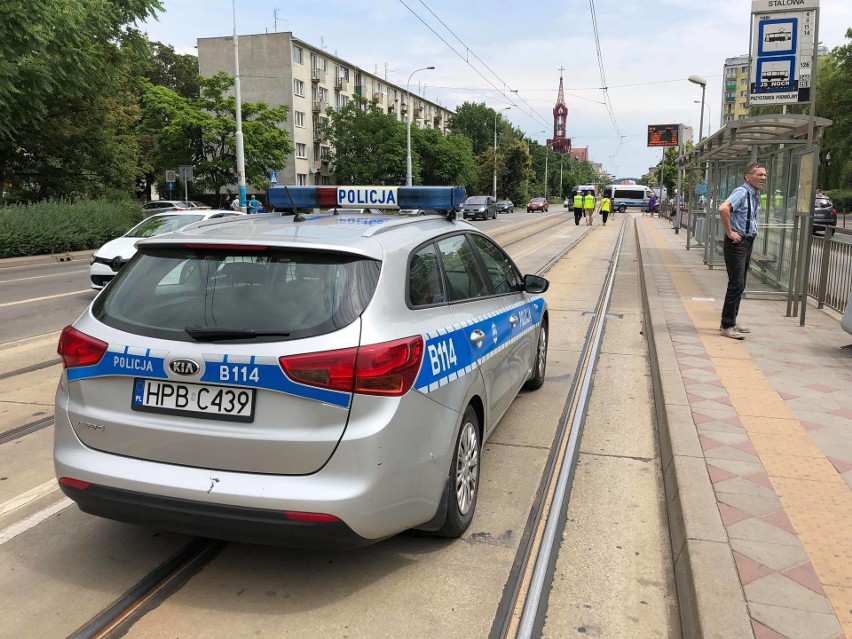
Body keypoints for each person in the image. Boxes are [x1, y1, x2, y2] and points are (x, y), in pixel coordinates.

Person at [718, 162, 767, 340]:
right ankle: (727, 325)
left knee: (740, 283)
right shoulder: (742, 192)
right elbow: (723, 209)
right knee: (736, 283)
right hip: (737, 244)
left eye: (764, 175)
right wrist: (730, 232)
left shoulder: (753, 195)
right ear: (748, 177)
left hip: (746, 241)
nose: (763, 178)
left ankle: (731, 320)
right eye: (759, 174)